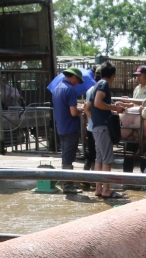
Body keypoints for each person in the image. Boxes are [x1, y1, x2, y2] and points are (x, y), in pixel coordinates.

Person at [88, 62, 128, 200]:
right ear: (112, 75)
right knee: (107, 159)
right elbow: (98, 103)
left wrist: (111, 107)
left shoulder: (95, 85)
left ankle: (99, 188)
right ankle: (106, 190)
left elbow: (93, 106)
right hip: (103, 127)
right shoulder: (103, 85)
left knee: (99, 158)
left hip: (97, 126)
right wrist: (116, 108)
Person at [52, 67, 85, 194]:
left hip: (61, 126)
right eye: (78, 81)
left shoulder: (57, 89)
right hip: (70, 127)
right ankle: (68, 185)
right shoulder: (70, 90)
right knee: (68, 157)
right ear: (74, 77)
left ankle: (65, 181)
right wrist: (81, 110)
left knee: (65, 155)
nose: (78, 84)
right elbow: (73, 112)